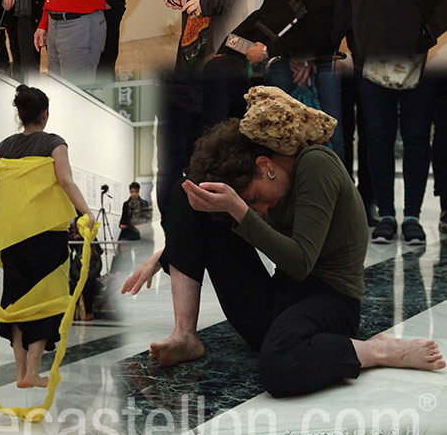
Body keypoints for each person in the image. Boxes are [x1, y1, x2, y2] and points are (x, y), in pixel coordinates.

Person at [122, 86, 445, 395]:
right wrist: (167, 252)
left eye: (255, 198)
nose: (258, 210)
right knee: (190, 193)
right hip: (280, 300)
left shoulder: (316, 164)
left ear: (266, 167)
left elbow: (301, 263)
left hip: (331, 303)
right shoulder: (269, 184)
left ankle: (374, 350)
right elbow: (230, 225)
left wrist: (240, 210)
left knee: (278, 365)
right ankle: (185, 335)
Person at [0, 83, 94, 389]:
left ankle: (20, 369)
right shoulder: (55, 143)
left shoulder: (4, 147)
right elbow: (66, 181)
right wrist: (86, 214)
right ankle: (32, 372)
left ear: (20, 115)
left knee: (15, 302)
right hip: (46, 238)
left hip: (12, 241)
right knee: (47, 301)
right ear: (45, 114)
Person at [339, 0, 434, 245]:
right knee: (375, 133)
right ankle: (387, 216)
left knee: (411, 133)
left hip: (400, 41)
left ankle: (412, 215)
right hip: (365, 40)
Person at [203, 0, 343, 155]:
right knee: (215, 68)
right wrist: (226, 48)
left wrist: (268, 51)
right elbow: (258, 17)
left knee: (230, 80)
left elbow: (318, 39)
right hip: (255, 52)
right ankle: (217, 146)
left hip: (283, 60)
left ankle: (234, 148)